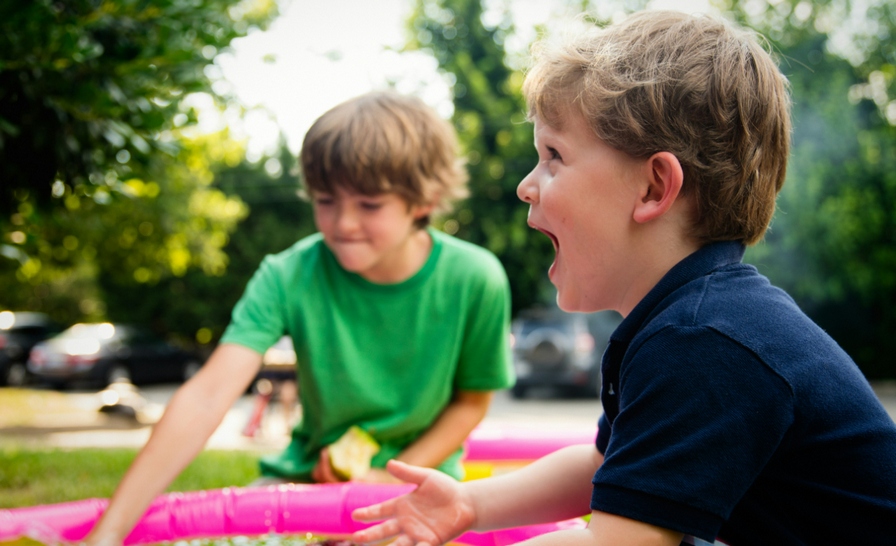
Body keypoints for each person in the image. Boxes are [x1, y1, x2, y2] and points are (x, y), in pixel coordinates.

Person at [350, 11, 896, 546]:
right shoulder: (689, 321)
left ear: (655, 188)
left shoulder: (705, 341)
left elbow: (616, 540)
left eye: (553, 156)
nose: (525, 185)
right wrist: (471, 505)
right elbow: (605, 466)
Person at [84, 90, 514, 546]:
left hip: (421, 486)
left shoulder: (475, 278)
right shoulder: (287, 274)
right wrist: (108, 534)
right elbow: (208, 395)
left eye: (369, 205)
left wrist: (386, 478)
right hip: (306, 481)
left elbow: (471, 402)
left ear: (424, 201)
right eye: (326, 200)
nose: (343, 223)